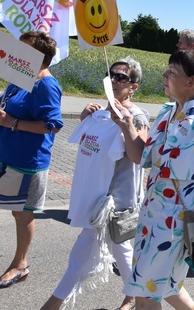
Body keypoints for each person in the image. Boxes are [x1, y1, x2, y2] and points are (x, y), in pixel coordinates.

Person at [112, 49, 194, 309]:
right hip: (151, 211)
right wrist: (126, 125)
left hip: (178, 218)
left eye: (172, 72)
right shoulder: (165, 112)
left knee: (146, 288)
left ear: (191, 81)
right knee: (162, 284)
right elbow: (142, 157)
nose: (164, 75)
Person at [42, 57, 149, 310]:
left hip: (112, 202)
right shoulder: (99, 112)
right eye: (111, 74)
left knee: (81, 254)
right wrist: (85, 121)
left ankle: (52, 304)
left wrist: (125, 125)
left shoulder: (137, 116)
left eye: (121, 77)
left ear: (133, 86)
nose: (113, 79)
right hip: (93, 195)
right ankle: (136, 295)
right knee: (121, 249)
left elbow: (139, 156)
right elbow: (91, 150)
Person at [0, 31, 63, 288]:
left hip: (28, 161)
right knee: (17, 213)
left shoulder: (46, 84)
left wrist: (10, 122)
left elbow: (52, 125)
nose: (16, 52)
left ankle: (20, 264)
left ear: (37, 56)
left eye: (22, 48)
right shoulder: (21, 79)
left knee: (22, 214)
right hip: (7, 155)